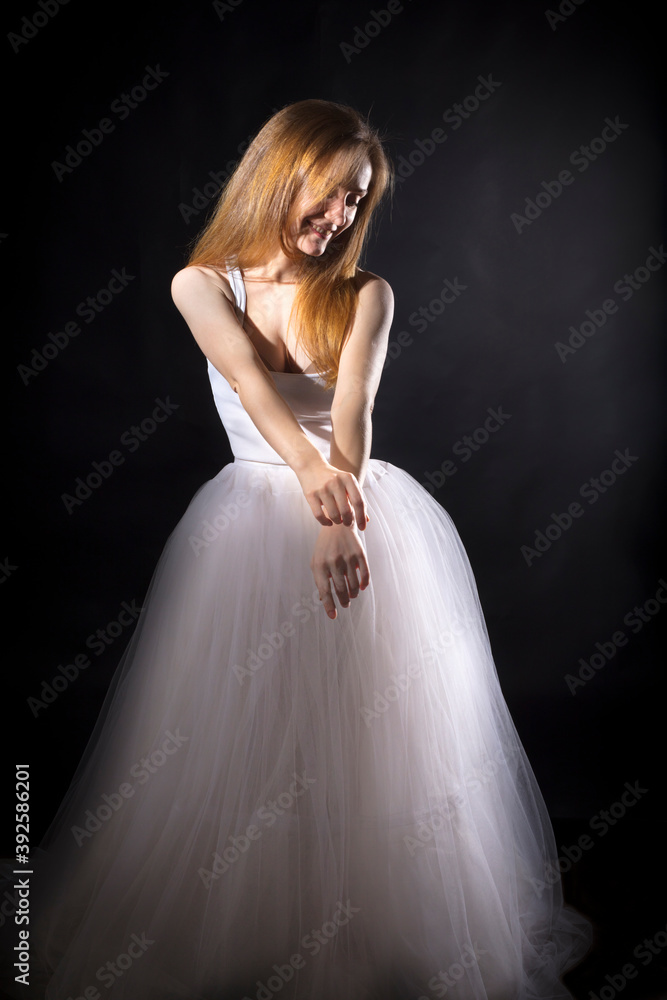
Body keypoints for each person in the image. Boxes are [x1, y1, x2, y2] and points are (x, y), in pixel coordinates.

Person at [10, 99, 593, 1000]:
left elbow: (350, 412)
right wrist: (311, 488)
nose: (336, 222)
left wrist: (336, 515)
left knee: (373, 730)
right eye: (321, 199)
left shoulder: (368, 294)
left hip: (357, 507)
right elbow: (252, 387)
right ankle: (248, 916)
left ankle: (368, 918)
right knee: (241, 729)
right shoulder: (201, 284)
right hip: (247, 519)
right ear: (275, 178)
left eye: (354, 204)